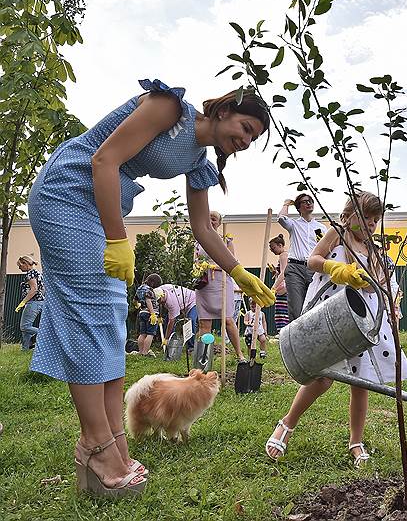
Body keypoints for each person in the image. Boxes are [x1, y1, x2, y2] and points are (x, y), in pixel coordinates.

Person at [27, 79, 275, 497]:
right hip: (68, 192)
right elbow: (105, 160)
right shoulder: (168, 109)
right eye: (247, 128)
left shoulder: (199, 161)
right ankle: (95, 444)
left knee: (109, 320)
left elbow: (202, 229)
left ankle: (114, 443)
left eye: (253, 138)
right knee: (91, 314)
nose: (246, 141)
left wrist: (238, 272)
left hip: (101, 207)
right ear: (223, 110)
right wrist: (117, 238)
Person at [265, 191, 407, 467]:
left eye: (375, 220)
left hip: (362, 319)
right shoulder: (337, 233)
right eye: (365, 218)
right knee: (322, 377)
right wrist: (337, 268)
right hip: (332, 311)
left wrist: (384, 294)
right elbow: (312, 260)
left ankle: (356, 441)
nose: (370, 224)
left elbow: (378, 284)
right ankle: (286, 424)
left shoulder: (375, 250)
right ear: (348, 216)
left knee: (361, 381)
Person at [195, 211, 247, 362]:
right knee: (204, 322)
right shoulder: (199, 241)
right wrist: (201, 266)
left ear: (218, 223)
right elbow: (196, 261)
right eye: (208, 218)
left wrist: (212, 266)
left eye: (214, 219)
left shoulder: (226, 240)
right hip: (204, 284)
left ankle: (239, 354)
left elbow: (231, 262)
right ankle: (203, 358)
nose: (211, 221)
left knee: (228, 319)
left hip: (222, 283)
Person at [278, 194, 328, 321]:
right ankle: (296, 338)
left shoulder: (320, 228)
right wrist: (286, 204)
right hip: (295, 268)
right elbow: (281, 219)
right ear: (299, 207)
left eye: (311, 201)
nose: (309, 203)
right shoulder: (294, 225)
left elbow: (325, 247)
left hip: (314, 269)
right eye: (305, 202)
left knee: (315, 305)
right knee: (296, 307)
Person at [15, 255, 45, 350]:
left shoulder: (30, 274)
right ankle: (25, 349)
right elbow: (42, 289)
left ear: (25, 263)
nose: (19, 268)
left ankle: (45, 335)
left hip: (33, 302)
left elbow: (34, 289)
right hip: (38, 302)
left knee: (25, 327)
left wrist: (23, 302)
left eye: (20, 266)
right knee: (26, 328)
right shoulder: (38, 273)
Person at [154, 284, 198, 349]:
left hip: (194, 300)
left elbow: (171, 322)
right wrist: (160, 315)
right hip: (182, 301)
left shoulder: (172, 303)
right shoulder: (159, 290)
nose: (158, 302)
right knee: (166, 321)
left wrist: (166, 338)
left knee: (191, 321)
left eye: (159, 300)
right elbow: (160, 304)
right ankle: (168, 345)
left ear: (162, 295)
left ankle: (191, 347)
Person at [135, 273, 162, 356]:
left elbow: (135, 300)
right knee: (150, 334)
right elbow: (148, 300)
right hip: (150, 314)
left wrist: (137, 305)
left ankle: (140, 351)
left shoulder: (140, 288)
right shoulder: (149, 290)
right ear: (153, 282)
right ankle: (145, 352)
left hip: (142, 312)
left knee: (142, 333)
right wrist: (153, 314)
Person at [268, 234, 290, 334]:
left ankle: (282, 332)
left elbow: (284, 273)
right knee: (283, 311)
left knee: (281, 312)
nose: (272, 250)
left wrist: (274, 287)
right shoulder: (284, 255)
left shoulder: (283, 255)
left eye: (273, 248)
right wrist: (275, 272)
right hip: (284, 288)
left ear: (280, 245)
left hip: (283, 289)